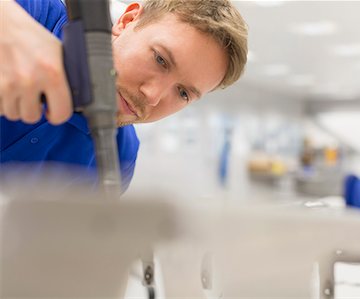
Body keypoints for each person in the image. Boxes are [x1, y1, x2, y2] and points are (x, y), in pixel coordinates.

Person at [0, 0, 248, 192]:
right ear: (127, 20)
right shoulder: (30, 13)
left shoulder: (119, 158)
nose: (152, 96)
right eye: (160, 60)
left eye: (183, 93)